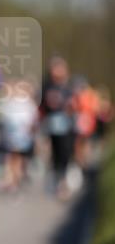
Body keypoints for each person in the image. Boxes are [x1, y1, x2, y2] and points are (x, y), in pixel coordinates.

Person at [39, 56, 76, 200]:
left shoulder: (68, 86)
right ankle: (57, 181)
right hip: (51, 125)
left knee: (65, 153)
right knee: (54, 154)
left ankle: (63, 181)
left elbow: (74, 105)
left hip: (66, 125)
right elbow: (41, 106)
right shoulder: (47, 86)